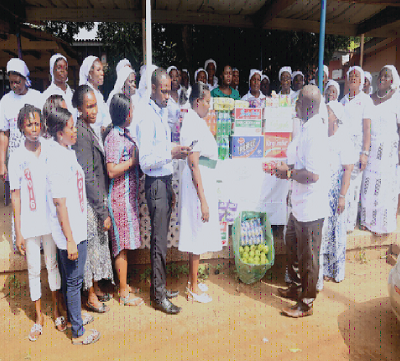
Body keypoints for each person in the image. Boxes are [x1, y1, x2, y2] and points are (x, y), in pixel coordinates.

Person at [136, 68, 191, 314]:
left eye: (170, 90)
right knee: (158, 242)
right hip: (155, 184)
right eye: (165, 91)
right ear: (154, 88)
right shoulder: (147, 116)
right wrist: (172, 152)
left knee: (162, 240)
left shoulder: (160, 112)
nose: (169, 95)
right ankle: (158, 296)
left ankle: (160, 287)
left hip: (164, 182)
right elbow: (145, 160)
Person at [10, 105, 64, 341]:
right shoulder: (17, 157)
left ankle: (57, 309)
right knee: (33, 268)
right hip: (30, 223)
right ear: (22, 126)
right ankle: (39, 315)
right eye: (29, 124)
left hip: (50, 219)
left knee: (52, 265)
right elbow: (15, 195)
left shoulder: (50, 149)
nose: (34, 128)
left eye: (37, 124)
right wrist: (19, 231)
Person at [46, 108, 100, 345]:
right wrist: (69, 239)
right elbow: (59, 204)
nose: (74, 129)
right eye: (70, 127)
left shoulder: (66, 152)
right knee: (74, 281)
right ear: (60, 133)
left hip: (76, 229)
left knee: (73, 279)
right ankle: (77, 333)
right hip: (70, 233)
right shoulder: (57, 159)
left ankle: (73, 318)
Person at [274, 85, 329, 318]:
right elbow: (302, 165)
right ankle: (296, 288)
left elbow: (313, 175)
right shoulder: (306, 128)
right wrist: (287, 170)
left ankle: (306, 303)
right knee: (293, 246)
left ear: (308, 107)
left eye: (298, 102)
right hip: (299, 204)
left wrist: (288, 173)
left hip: (311, 208)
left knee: (308, 257)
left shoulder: (316, 133)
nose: (295, 105)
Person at [72, 85, 114, 313]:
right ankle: (89, 295)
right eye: (88, 107)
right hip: (89, 202)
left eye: (95, 105)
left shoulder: (89, 128)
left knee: (97, 247)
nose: (93, 110)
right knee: (89, 252)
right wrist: (102, 210)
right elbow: (87, 175)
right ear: (79, 108)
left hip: (95, 199)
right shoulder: (80, 133)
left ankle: (96, 287)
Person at [179, 82, 222, 303]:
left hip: (202, 180)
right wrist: (203, 199)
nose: (209, 106)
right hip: (197, 183)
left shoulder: (196, 120)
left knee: (198, 232)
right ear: (197, 102)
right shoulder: (193, 122)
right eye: (207, 101)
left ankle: (192, 281)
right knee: (196, 232)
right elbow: (194, 162)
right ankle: (193, 288)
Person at [105, 93, 143, 306]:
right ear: (125, 113)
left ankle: (124, 284)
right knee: (120, 246)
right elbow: (111, 170)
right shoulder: (113, 137)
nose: (133, 113)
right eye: (131, 110)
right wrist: (133, 162)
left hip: (127, 197)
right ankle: (123, 292)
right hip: (118, 198)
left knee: (126, 244)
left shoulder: (124, 134)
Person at [317, 101, 357, 291]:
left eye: (329, 112)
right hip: (323, 191)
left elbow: (348, 169)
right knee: (323, 231)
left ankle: (335, 270)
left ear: (336, 117)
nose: (325, 115)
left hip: (337, 192)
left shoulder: (343, 138)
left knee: (336, 231)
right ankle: (323, 269)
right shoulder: (322, 136)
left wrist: (342, 196)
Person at [360, 65, 400, 236]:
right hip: (371, 149)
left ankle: (382, 226)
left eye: (387, 76)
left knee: (385, 188)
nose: (382, 78)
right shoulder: (369, 99)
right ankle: (367, 221)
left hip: (388, 152)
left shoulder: (397, 99)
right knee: (369, 186)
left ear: (392, 80)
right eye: (381, 75)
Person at [340, 66, 373, 233]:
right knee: (343, 186)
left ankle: (349, 224)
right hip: (343, 150)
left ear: (361, 81)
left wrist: (365, 153)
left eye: (357, 76)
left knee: (353, 188)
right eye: (351, 75)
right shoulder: (343, 100)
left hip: (357, 149)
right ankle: (341, 221)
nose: (353, 77)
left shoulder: (366, 100)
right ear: (347, 80)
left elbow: (367, 129)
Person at [0, 58, 42, 181]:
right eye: (11, 82)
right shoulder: (5, 101)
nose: (14, 86)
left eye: (17, 82)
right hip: (15, 160)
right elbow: (4, 134)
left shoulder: (37, 97)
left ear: (25, 78)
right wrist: (2, 163)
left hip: (36, 157)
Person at [79, 56, 111, 139]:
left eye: (102, 70)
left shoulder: (98, 94)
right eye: (98, 70)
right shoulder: (86, 94)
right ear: (90, 73)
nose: (102, 73)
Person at [167, 66, 182, 141]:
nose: (174, 79)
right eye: (171, 76)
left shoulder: (183, 94)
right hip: (169, 135)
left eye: (177, 76)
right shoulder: (165, 97)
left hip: (181, 134)